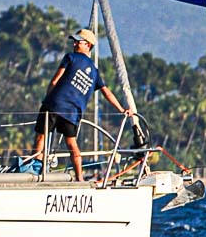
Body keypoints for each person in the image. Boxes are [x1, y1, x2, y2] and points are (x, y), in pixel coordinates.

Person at [29, 27, 135, 182]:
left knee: (41, 138)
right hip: (72, 113)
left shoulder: (70, 57)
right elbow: (107, 92)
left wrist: (47, 99)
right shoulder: (95, 72)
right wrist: (121, 109)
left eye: (78, 42)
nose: (74, 44)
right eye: (74, 41)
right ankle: (79, 179)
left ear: (88, 45)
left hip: (53, 105)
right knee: (71, 144)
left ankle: (35, 173)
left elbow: (55, 81)